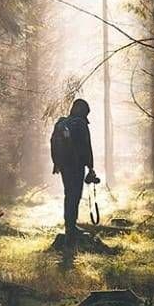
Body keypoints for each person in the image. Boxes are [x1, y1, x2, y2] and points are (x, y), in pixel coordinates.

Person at [50, 98, 99, 242]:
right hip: (76, 166)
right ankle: (71, 229)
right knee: (75, 196)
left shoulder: (62, 123)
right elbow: (86, 147)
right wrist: (90, 167)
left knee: (68, 195)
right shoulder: (80, 124)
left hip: (64, 166)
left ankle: (69, 227)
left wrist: (57, 163)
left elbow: (54, 144)